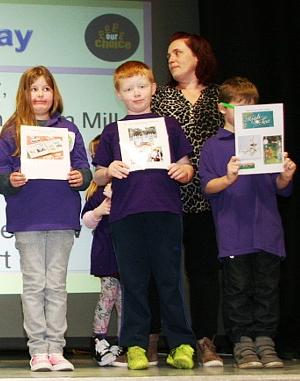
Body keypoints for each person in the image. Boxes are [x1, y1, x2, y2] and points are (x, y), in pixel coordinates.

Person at [93, 60, 197, 370]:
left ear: (152, 88)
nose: (136, 93)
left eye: (141, 86)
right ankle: (135, 346)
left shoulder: (169, 126)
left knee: (169, 281)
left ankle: (181, 344)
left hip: (165, 212)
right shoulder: (112, 132)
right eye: (128, 89)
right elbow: (98, 176)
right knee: (134, 283)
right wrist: (108, 170)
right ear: (118, 94)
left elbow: (188, 167)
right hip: (125, 216)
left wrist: (184, 171)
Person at [0, 66, 91, 372]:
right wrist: (12, 179)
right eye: (34, 89)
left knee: (57, 286)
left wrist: (80, 177)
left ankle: (56, 349)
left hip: (61, 217)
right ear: (24, 94)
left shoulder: (69, 130)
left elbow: (84, 169)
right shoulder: (12, 131)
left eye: (46, 88)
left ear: (54, 94)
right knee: (35, 285)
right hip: (27, 219)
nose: (40, 95)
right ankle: (37, 350)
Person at [198, 76, 295, 369]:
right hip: (233, 231)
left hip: (267, 230)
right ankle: (243, 344)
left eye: (252, 108)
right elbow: (207, 187)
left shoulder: (268, 139)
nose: (247, 115)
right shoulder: (214, 145)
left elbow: (281, 188)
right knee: (237, 289)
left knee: (267, 289)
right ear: (222, 108)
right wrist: (227, 177)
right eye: (240, 108)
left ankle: (266, 342)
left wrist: (286, 175)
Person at [151, 31, 225, 367]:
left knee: (204, 272)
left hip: (209, 199)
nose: (171, 58)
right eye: (168, 55)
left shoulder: (220, 98)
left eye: (178, 52)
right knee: (159, 271)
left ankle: (205, 340)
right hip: (165, 196)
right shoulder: (160, 97)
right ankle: (152, 339)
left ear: (198, 56)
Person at [81, 136, 123, 367]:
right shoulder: (95, 190)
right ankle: (100, 341)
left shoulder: (128, 185)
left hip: (128, 256)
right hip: (107, 253)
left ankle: (125, 342)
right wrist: (99, 210)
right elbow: (87, 220)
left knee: (126, 301)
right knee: (107, 297)